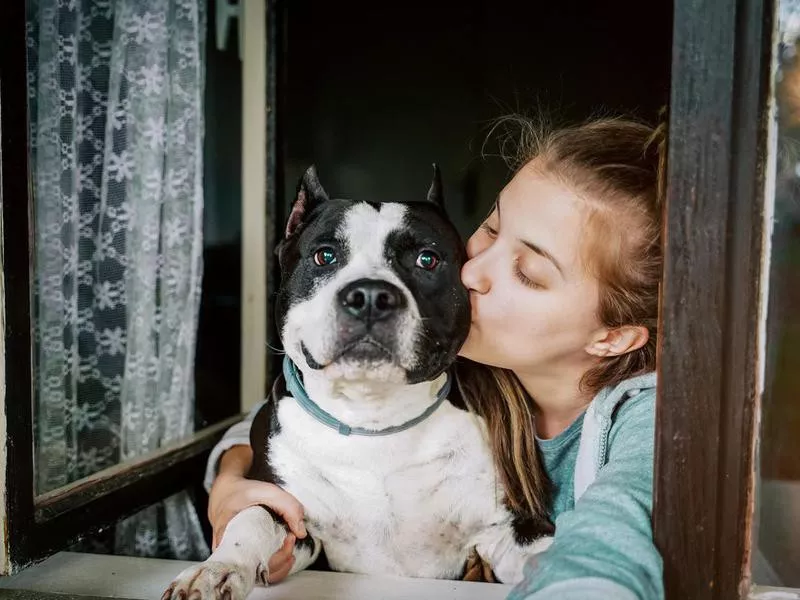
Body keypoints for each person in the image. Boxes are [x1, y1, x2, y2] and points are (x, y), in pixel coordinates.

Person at [203, 115, 665, 600]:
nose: (471, 273)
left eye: (527, 272)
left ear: (612, 337)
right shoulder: (462, 364)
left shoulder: (644, 424)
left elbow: (610, 542)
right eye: (490, 228)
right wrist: (233, 476)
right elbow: (297, 416)